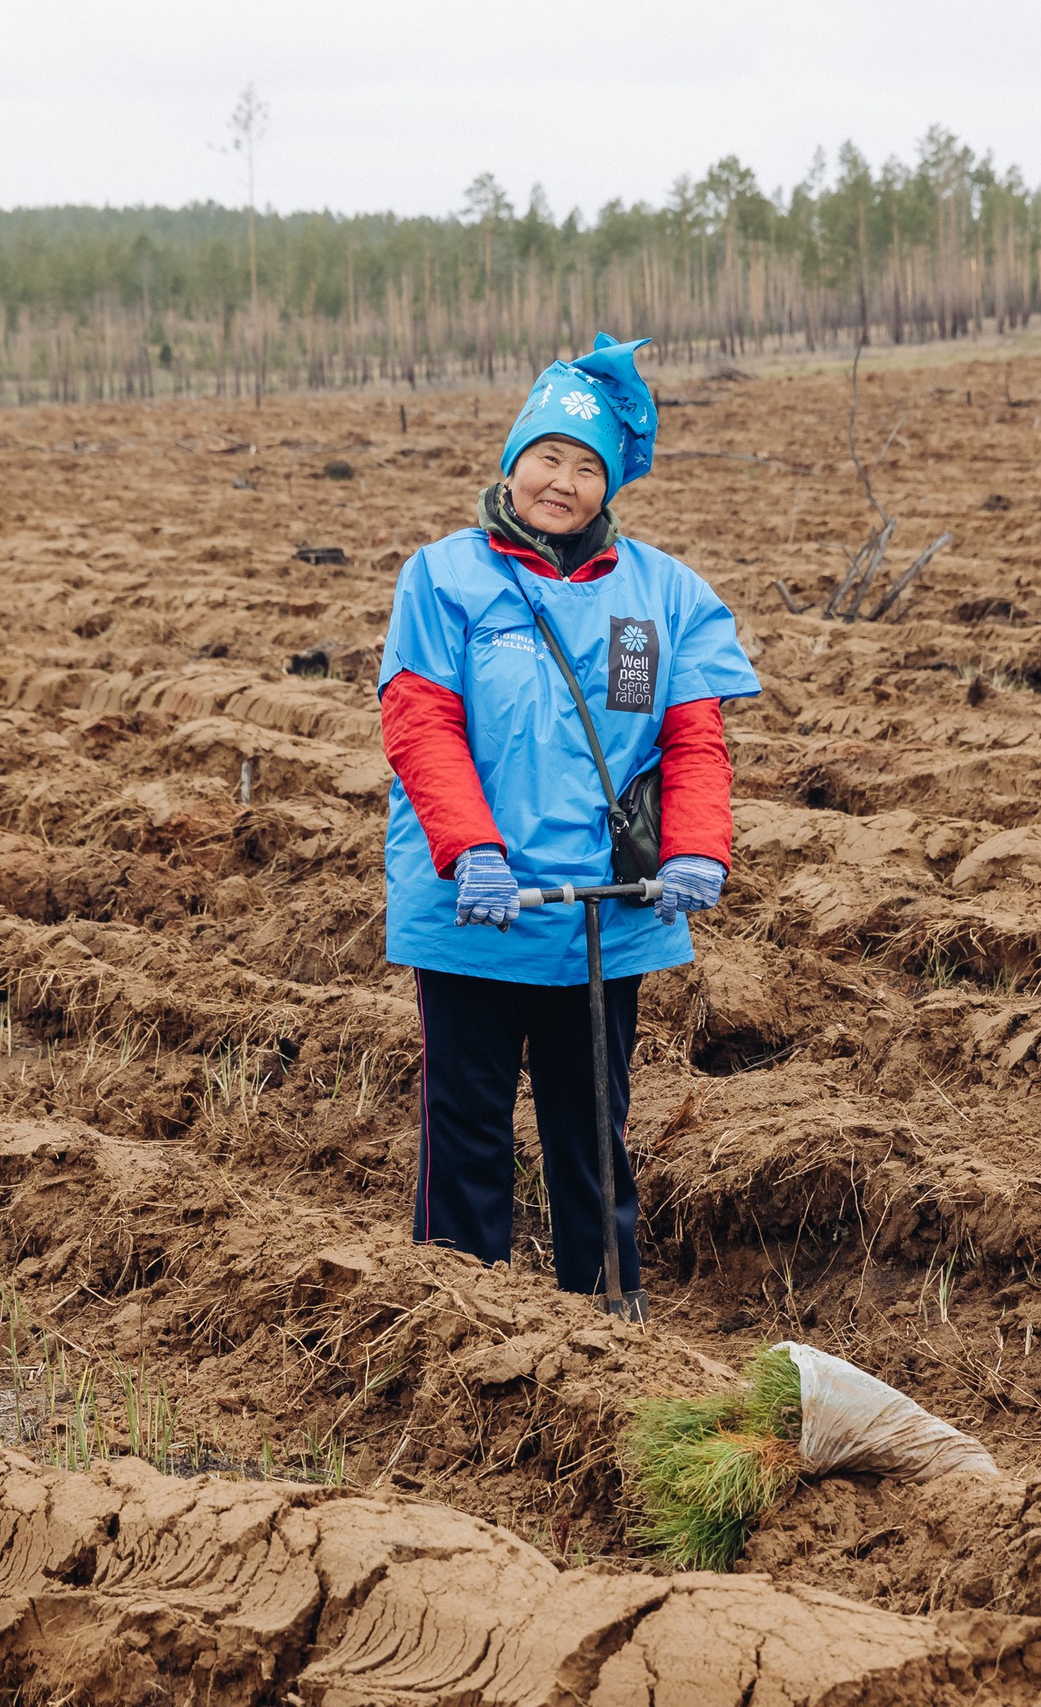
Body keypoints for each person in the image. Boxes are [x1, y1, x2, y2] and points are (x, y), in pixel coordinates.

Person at [377, 333, 761, 1319]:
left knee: (594, 1132)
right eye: (546, 455)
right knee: (465, 1133)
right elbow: (423, 724)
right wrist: (475, 851)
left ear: (609, 486)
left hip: (603, 912)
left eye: (585, 466)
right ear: (513, 462)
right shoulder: (446, 578)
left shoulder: (656, 598)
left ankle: (607, 1328)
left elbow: (688, 743)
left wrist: (693, 851)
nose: (561, 481)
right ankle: (460, 1326)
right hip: (478, 907)